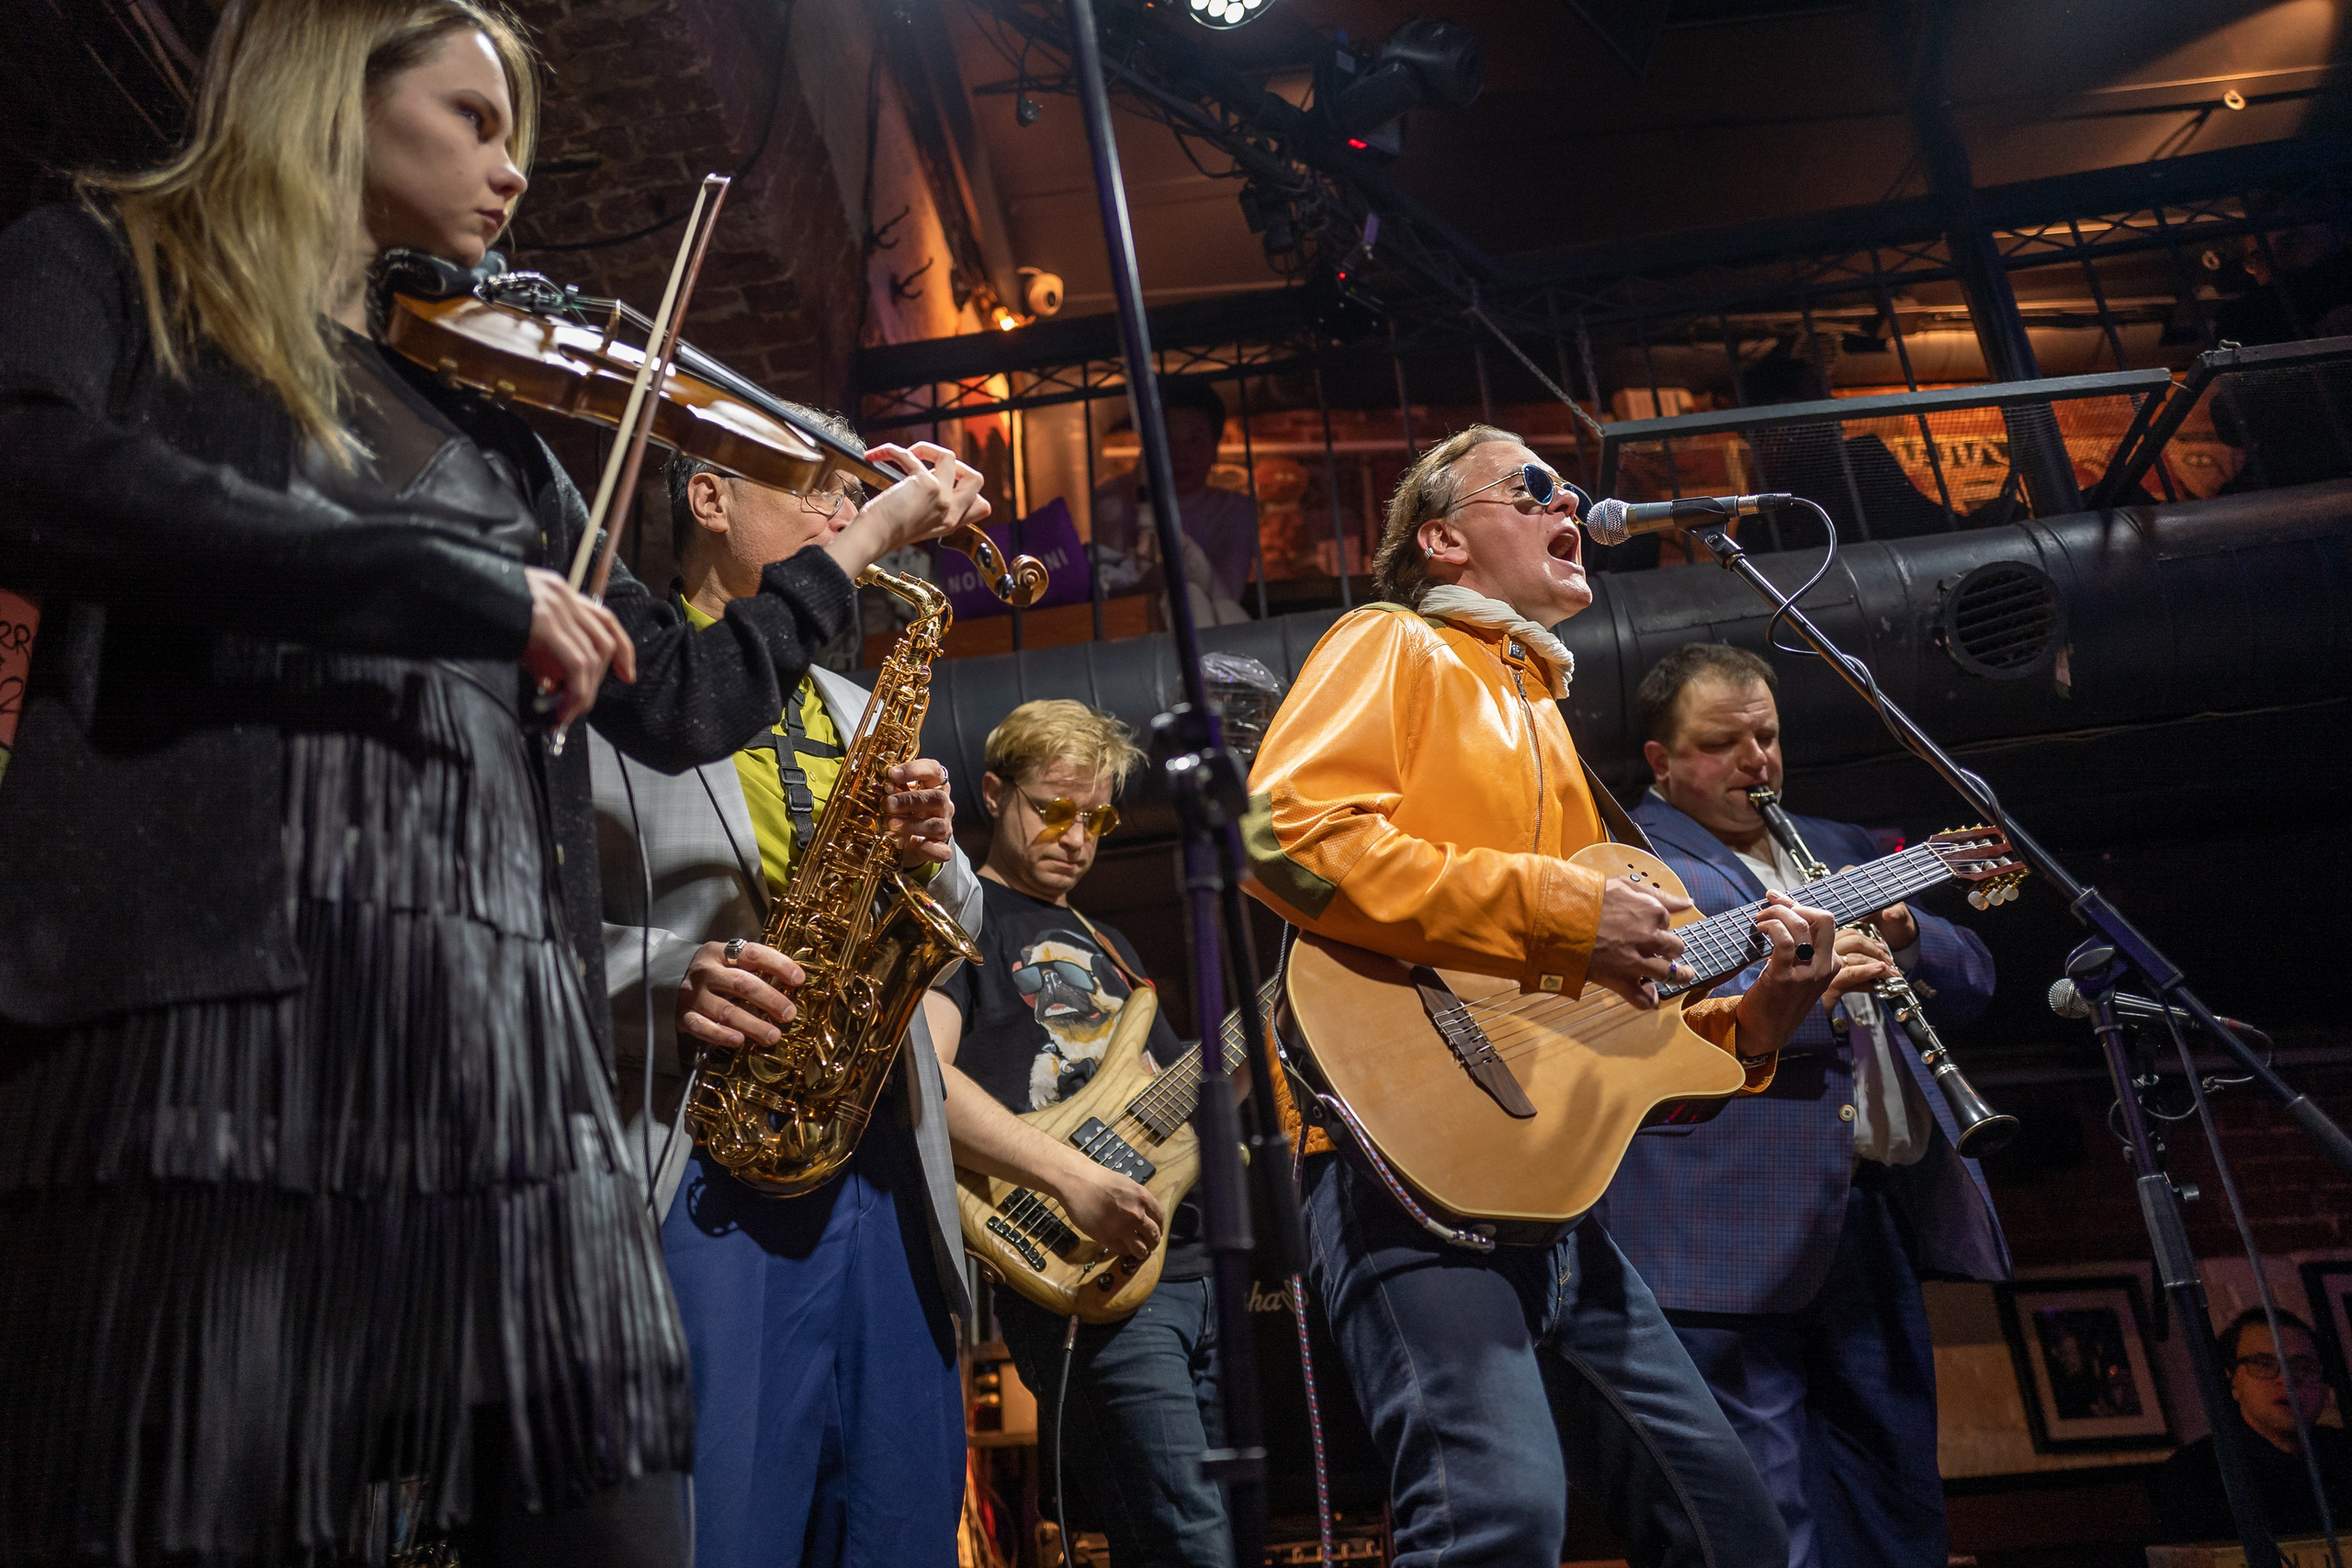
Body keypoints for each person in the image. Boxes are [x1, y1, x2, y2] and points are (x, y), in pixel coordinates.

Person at [0, 6, 986, 1562]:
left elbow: (689, 700)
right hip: (227, 1010)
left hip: (499, 1039)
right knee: (193, 1500)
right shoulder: (113, 268)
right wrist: (453, 589)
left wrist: (852, 549)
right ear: (332, 89)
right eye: (473, 116)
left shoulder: (492, 435)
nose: (512, 168)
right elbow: (35, 474)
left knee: (620, 1515)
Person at [1242, 423, 1859, 1568]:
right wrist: (1565, 913)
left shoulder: (1543, 721)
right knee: (1496, 1521)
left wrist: (1763, 1010)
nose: (1568, 501)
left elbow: (1624, 1027)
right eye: (1530, 489)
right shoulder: (1394, 642)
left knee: (1732, 1533)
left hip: (1550, 1193)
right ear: (1443, 539)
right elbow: (1285, 838)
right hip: (1395, 1166)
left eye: (1568, 489)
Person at [593, 426, 989, 1568]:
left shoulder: (861, 704)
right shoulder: (615, 679)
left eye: (844, 497)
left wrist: (935, 852)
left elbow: (954, 929)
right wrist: (665, 977)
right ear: (708, 500)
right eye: (812, 491)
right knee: (726, 1531)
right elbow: (518, 917)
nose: (838, 513)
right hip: (704, 1154)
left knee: (897, 1529)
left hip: (885, 1162)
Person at [1604, 641, 2007, 1568]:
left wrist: (1903, 933)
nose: (1756, 762)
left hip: (1868, 1215)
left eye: (1767, 737)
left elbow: (1977, 980)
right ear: (1661, 761)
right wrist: (1793, 994)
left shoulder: (1838, 848)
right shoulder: (1626, 864)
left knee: (1896, 1501)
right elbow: (1631, 1014)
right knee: (1760, 1517)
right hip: (1717, 1227)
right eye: (1721, 743)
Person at [923, 699, 1228, 1568]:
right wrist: (1071, 1177)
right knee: (1188, 1542)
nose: (1079, 836)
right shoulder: (966, 920)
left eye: (1096, 816)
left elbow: (1183, 1104)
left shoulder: (1110, 940)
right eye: (1055, 808)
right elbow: (926, 1083)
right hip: (1076, 1264)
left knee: (1210, 1534)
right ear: (993, 792)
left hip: (1186, 1263)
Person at [2153, 1309, 2352, 1543]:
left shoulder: (2345, 1451)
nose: (2287, 1379)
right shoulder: (2193, 1473)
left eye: (2303, 1367)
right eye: (2264, 1365)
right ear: (2233, 1382)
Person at [1091, 378, 1259, 619]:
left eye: (1195, 439)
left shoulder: (1234, 510)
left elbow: (1227, 597)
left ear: (1215, 448)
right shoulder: (1111, 501)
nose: (1180, 454)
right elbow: (1112, 596)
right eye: (1167, 439)